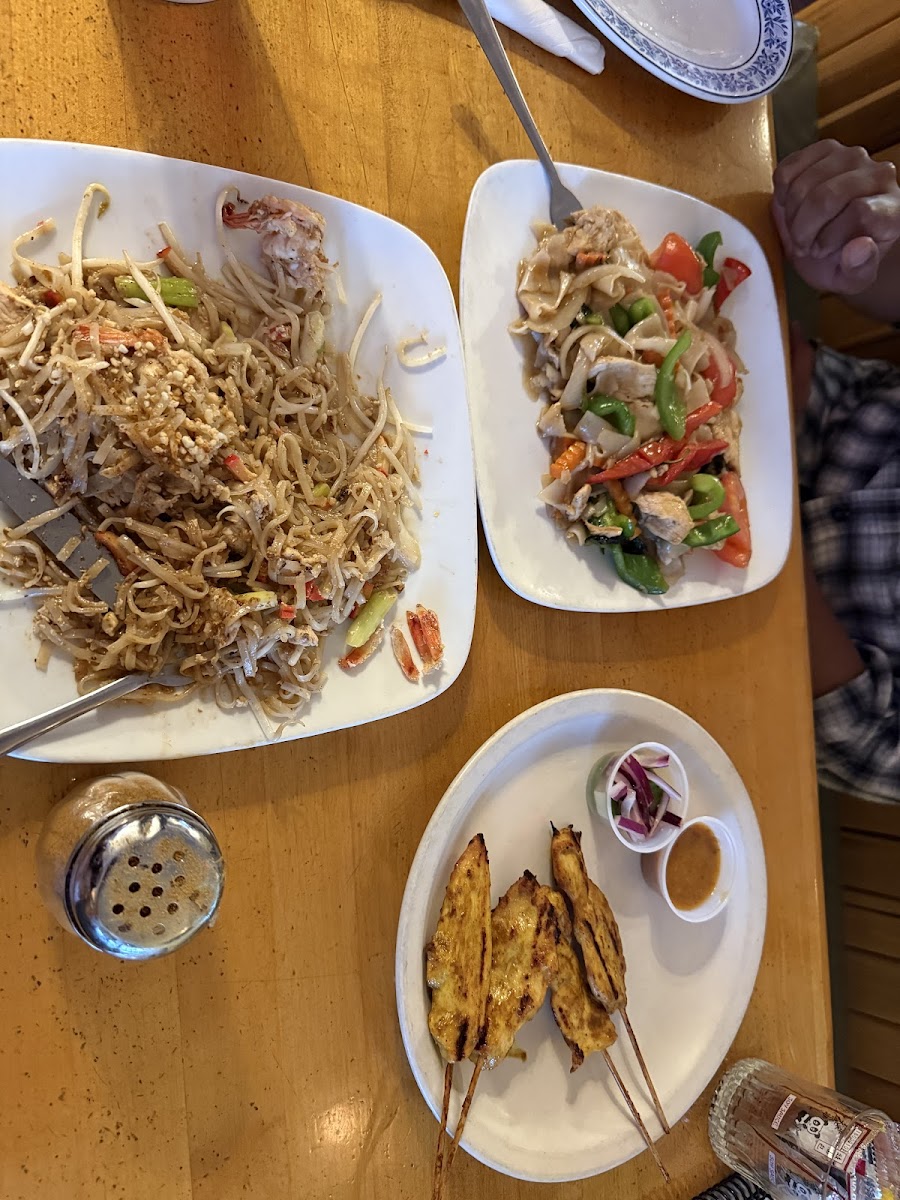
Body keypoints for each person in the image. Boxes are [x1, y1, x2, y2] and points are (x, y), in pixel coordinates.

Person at [772, 139, 900, 801]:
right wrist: (865, 240)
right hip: (804, 389)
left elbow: (860, 736)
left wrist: (764, 509)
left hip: (761, 639)